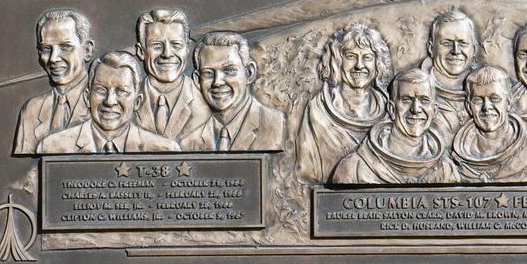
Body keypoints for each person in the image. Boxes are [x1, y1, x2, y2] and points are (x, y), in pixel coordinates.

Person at [295, 23, 393, 183]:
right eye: (351, 56)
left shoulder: (390, 113)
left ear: (377, 64)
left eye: (367, 57)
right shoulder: (318, 112)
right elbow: (305, 176)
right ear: (337, 61)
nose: (359, 66)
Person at [329, 67, 460, 185]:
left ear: (434, 111)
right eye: (407, 100)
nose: (415, 109)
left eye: (424, 100)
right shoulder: (354, 169)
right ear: (392, 109)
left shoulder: (446, 171)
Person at [38, 51, 181, 154]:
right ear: (87, 98)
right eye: (101, 90)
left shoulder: (165, 151)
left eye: (121, 92)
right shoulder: (52, 147)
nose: (110, 101)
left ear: (137, 102)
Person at [179, 32, 286, 151]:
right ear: (197, 80)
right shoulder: (187, 136)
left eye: (229, 70)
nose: (217, 82)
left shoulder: (276, 125)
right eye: (208, 73)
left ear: (249, 73)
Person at [13, 8, 95, 155]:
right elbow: (22, 169)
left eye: (65, 47)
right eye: (46, 48)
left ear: (87, 50)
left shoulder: (107, 104)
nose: (53, 58)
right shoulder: (32, 110)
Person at [450, 66, 527, 182]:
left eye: (494, 99)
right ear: (468, 107)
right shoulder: (452, 163)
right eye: (478, 100)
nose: (486, 107)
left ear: (508, 102)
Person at [132, 9, 210, 141]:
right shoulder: (124, 100)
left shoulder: (205, 103)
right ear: (141, 51)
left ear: (187, 48)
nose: (167, 53)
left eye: (176, 45)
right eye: (157, 45)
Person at [420, 9, 480, 143]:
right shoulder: (414, 92)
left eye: (463, 43)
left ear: (474, 49)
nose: (455, 51)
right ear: (431, 48)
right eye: (446, 43)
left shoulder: (489, 91)